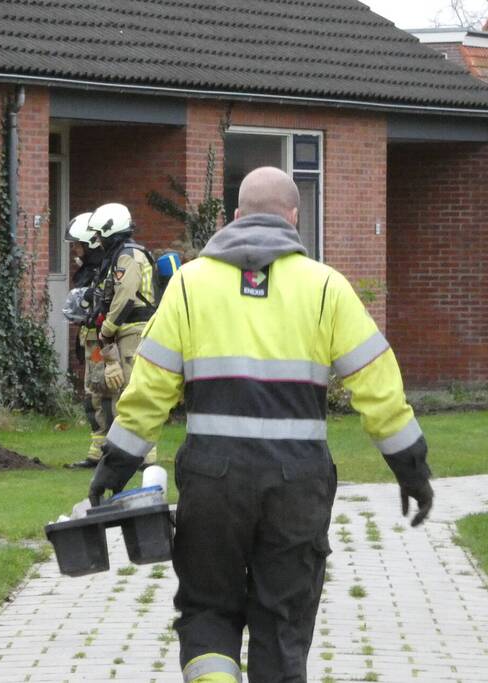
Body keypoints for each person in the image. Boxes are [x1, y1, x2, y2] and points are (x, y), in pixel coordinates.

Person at [89, 167, 434, 682]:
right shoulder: (325, 288)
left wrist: (114, 467)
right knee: (282, 624)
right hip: (297, 485)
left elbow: (148, 391)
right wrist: (411, 470)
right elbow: (378, 389)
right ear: (294, 217)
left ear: (234, 217)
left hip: (212, 482)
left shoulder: (189, 285)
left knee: (208, 610)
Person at [67, 203, 158, 469]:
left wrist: (106, 329)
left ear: (110, 230)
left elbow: (125, 296)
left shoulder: (127, 256)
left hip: (130, 330)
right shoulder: (117, 256)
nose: (96, 241)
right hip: (115, 332)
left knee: (130, 392)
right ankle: (104, 450)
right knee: (100, 390)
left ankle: (143, 455)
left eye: (98, 235)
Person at [61, 212, 113, 468]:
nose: (76, 251)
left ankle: (115, 450)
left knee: (109, 393)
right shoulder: (90, 273)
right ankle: (98, 450)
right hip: (91, 339)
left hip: (106, 342)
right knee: (93, 393)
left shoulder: (104, 272)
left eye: (78, 245)